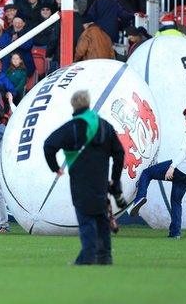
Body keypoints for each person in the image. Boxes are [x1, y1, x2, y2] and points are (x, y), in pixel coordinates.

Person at [43, 90, 126, 265]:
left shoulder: (72, 127)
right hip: (101, 179)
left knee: (86, 217)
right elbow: (119, 153)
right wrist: (115, 179)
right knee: (101, 217)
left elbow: (49, 145)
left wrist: (55, 168)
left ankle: (87, 257)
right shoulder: (104, 126)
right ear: (88, 103)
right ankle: (105, 257)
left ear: (73, 105)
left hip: (81, 180)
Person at [129, 107, 186, 239]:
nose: (185, 122)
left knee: (147, 173)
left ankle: (139, 198)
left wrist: (172, 167)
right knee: (176, 202)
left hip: (179, 169)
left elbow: (184, 152)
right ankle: (175, 233)